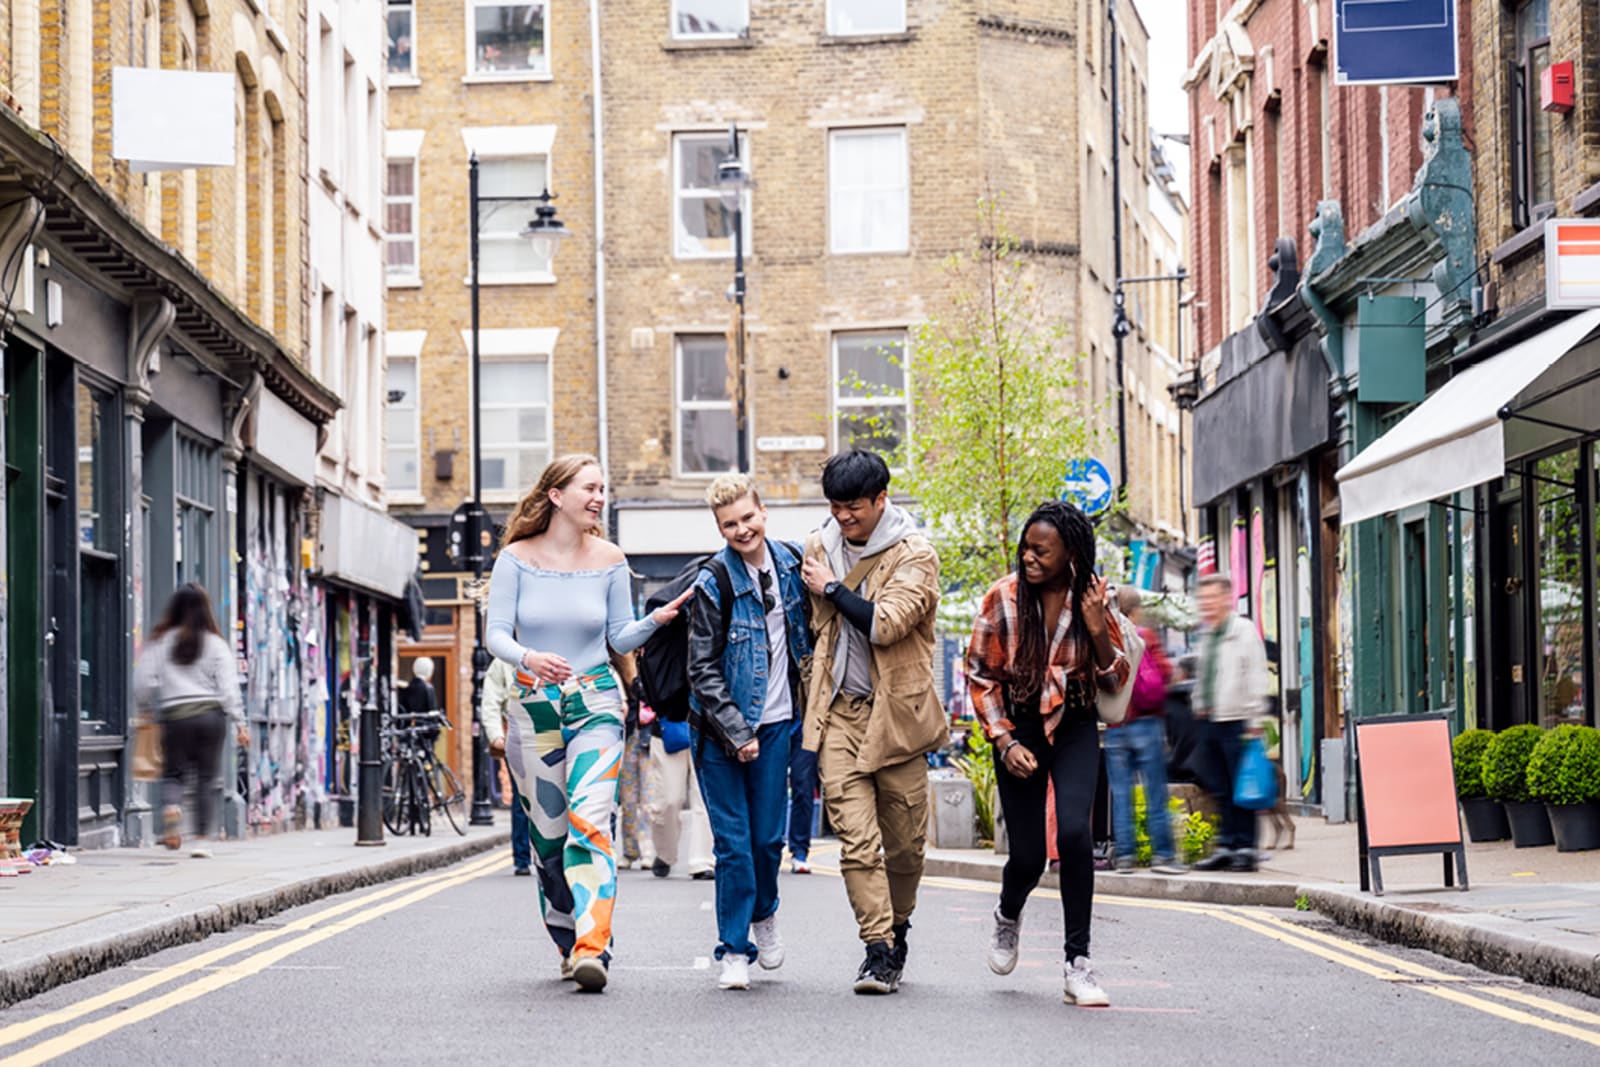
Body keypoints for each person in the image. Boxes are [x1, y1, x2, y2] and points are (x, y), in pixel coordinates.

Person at [485, 453, 691, 993]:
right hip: (533, 706)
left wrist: (654, 622)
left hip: (597, 700)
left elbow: (619, 636)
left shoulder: (610, 558)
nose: (600, 497)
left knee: (591, 818)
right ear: (556, 495)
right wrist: (528, 659)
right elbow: (496, 635)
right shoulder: (515, 559)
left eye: (603, 487)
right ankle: (566, 938)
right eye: (590, 487)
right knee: (548, 842)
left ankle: (592, 945)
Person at [966, 501, 1130, 1008]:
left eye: (1042, 550)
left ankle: (1077, 963)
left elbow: (1117, 678)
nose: (1029, 558)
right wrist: (1005, 740)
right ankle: (1007, 914)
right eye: (1026, 548)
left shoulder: (1092, 597)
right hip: (1019, 726)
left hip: (1077, 721)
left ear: (1070, 554)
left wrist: (1097, 627)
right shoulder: (1003, 599)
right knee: (1030, 857)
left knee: (1078, 834)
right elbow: (980, 676)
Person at [799, 450, 945, 996]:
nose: (842, 518)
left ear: (882, 500)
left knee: (905, 846)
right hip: (838, 713)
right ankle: (878, 950)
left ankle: (899, 927)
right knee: (856, 843)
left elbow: (885, 624)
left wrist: (832, 588)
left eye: (853, 508)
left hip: (898, 718)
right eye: (834, 507)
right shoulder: (819, 547)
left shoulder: (915, 554)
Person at [687, 473, 813, 991]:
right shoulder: (714, 581)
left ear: (764, 511)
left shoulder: (793, 564)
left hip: (779, 724)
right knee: (734, 845)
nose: (742, 530)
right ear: (719, 527)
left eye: (748, 518)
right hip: (719, 733)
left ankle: (765, 912)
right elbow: (702, 669)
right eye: (729, 524)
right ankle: (734, 948)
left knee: (767, 841)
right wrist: (737, 731)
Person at [133, 584, 248, 859]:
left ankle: (172, 808)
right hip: (210, 717)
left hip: (175, 717)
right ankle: (200, 841)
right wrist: (240, 722)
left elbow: (142, 682)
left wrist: (146, 708)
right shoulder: (216, 644)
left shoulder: (160, 642)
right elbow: (229, 689)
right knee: (206, 779)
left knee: (174, 774)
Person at [1190, 573, 1270, 873]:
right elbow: (1203, 675)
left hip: (1238, 720)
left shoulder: (1243, 631)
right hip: (1211, 719)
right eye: (1203, 599)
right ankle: (1226, 845)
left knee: (1242, 788)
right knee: (1219, 787)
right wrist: (1199, 703)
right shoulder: (1208, 634)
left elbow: (1257, 676)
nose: (1206, 604)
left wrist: (1255, 718)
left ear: (1226, 598)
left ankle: (1246, 849)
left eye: (1211, 598)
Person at [1104, 586, 1183, 874]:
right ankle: (1164, 856)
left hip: (1115, 726)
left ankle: (1125, 857)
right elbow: (1163, 673)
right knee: (1154, 793)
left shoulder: (1107, 639)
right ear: (1136, 611)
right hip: (1147, 725)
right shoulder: (1144, 636)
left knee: (1121, 794)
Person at [643, 714, 715, 881]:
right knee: (669, 799)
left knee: (704, 798)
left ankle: (703, 862)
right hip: (668, 725)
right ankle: (665, 853)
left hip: (707, 727)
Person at [482, 658, 532, 876]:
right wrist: (495, 735)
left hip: (551, 733)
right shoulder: (502, 664)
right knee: (522, 798)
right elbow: (490, 702)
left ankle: (554, 855)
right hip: (517, 735)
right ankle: (522, 859)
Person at [787, 712, 819, 874]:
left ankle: (800, 851)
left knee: (803, 785)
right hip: (775, 715)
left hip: (805, 719)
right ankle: (766, 847)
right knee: (771, 784)